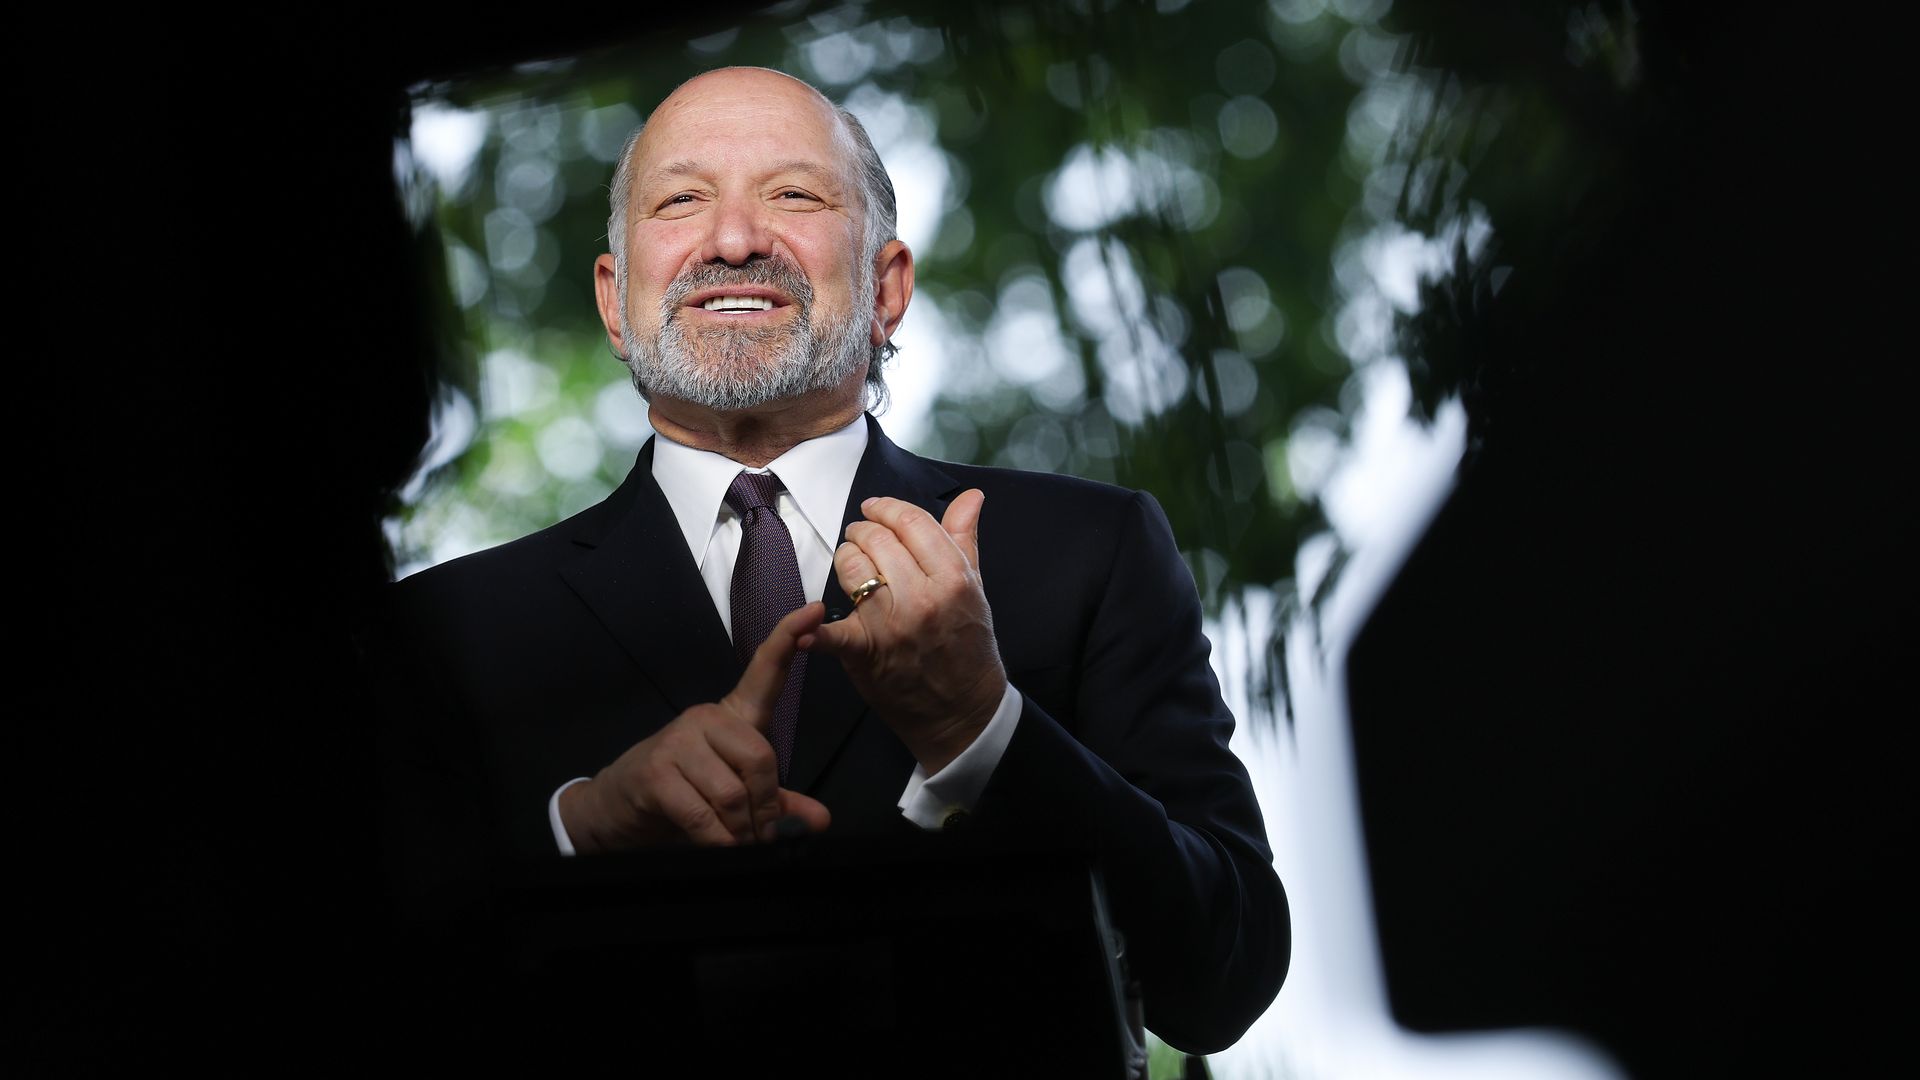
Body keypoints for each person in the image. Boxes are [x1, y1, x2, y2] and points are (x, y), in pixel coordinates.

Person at [377, 66, 1286, 1054]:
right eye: (681, 201)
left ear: (888, 287)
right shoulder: (442, 634)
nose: (732, 241)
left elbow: (1224, 977)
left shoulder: (1087, 554)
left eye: (794, 195)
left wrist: (983, 732)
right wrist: (578, 830)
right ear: (613, 296)